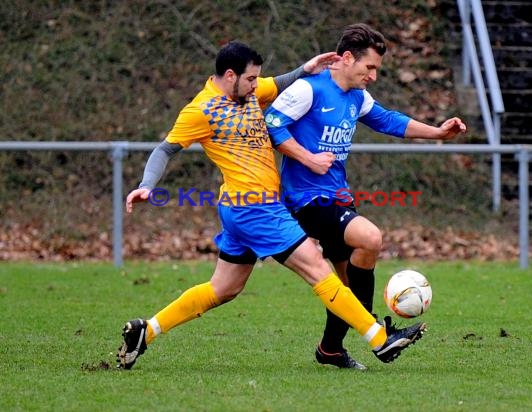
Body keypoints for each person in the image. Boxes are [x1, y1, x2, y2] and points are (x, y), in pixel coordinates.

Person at [117, 40, 426, 370]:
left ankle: (145, 332)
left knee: (223, 289)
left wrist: (306, 69)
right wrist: (146, 186)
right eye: (251, 79)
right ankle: (380, 341)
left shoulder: (249, 91)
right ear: (231, 75)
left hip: (241, 210)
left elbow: (277, 84)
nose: (256, 87)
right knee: (320, 271)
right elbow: (164, 150)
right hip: (256, 209)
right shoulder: (200, 111)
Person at [264, 23, 466, 370]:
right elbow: (271, 124)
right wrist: (307, 157)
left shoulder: (357, 96)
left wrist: (438, 133)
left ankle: (330, 349)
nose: (372, 75)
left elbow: (388, 120)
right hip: (306, 200)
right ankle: (378, 333)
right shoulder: (307, 90)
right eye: (369, 67)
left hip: (337, 196)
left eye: (376, 69)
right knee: (370, 238)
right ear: (346, 58)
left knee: (344, 286)